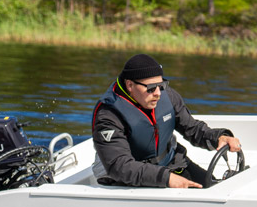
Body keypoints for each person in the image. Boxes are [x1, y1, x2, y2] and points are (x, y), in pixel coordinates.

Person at [91, 54, 241, 188]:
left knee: (211, 188)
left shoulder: (166, 95)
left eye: (161, 85)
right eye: (150, 88)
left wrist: (218, 137)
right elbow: (120, 167)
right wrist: (166, 178)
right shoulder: (108, 115)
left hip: (170, 163)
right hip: (125, 177)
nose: (157, 93)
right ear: (130, 85)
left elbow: (192, 128)